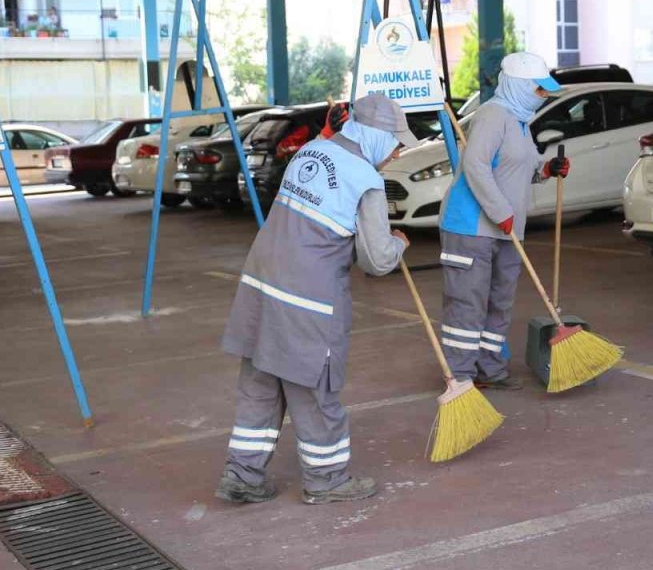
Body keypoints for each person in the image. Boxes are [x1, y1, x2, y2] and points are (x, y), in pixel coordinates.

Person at [217, 93, 412, 505]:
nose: (397, 153)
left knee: (261, 382)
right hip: (308, 298)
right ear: (378, 136)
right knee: (314, 388)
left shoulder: (311, 150)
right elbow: (376, 260)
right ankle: (327, 480)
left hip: (260, 284)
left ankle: (242, 474)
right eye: (396, 143)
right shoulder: (366, 179)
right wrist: (398, 244)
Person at [436, 52, 571, 390]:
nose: (543, 96)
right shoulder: (493, 116)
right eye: (538, 89)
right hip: (471, 227)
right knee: (468, 304)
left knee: (500, 302)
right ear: (518, 86)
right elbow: (475, 165)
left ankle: (491, 370)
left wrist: (545, 169)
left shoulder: (521, 120)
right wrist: (500, 212)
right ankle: (461, 377)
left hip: (508, 229)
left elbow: (520, 167)